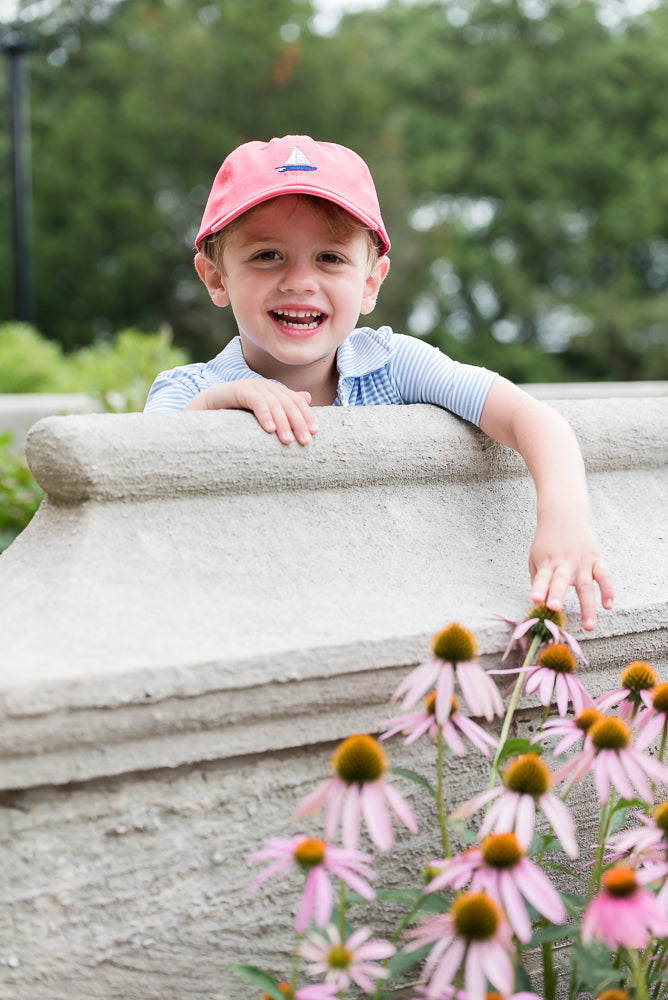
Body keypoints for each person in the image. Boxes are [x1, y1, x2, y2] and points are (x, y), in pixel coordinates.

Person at [145, 134, 614, 630]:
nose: (300, 281)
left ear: (371, 281)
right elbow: (142, 472)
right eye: (267, 256)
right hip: (244, 621)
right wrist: (221, 403)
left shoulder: (391, 364)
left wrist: (564, 519)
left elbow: (530, 417)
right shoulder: (186, 390)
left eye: (330, 258)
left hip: (391, 616)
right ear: (216, 277)